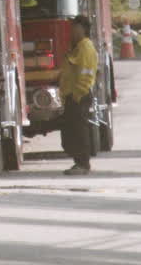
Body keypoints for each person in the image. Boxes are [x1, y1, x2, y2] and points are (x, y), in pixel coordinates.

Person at [58, 14, 98, 175]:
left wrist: (78, 94)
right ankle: (79, 162)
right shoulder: (77, 47)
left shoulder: (85, 47)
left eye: (75, 28)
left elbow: (87, 73)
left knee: (79, 131)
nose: (72, 31)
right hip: (72, 95)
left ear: (82, 29)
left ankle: (82, 164)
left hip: (79, 96)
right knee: (71, 132)